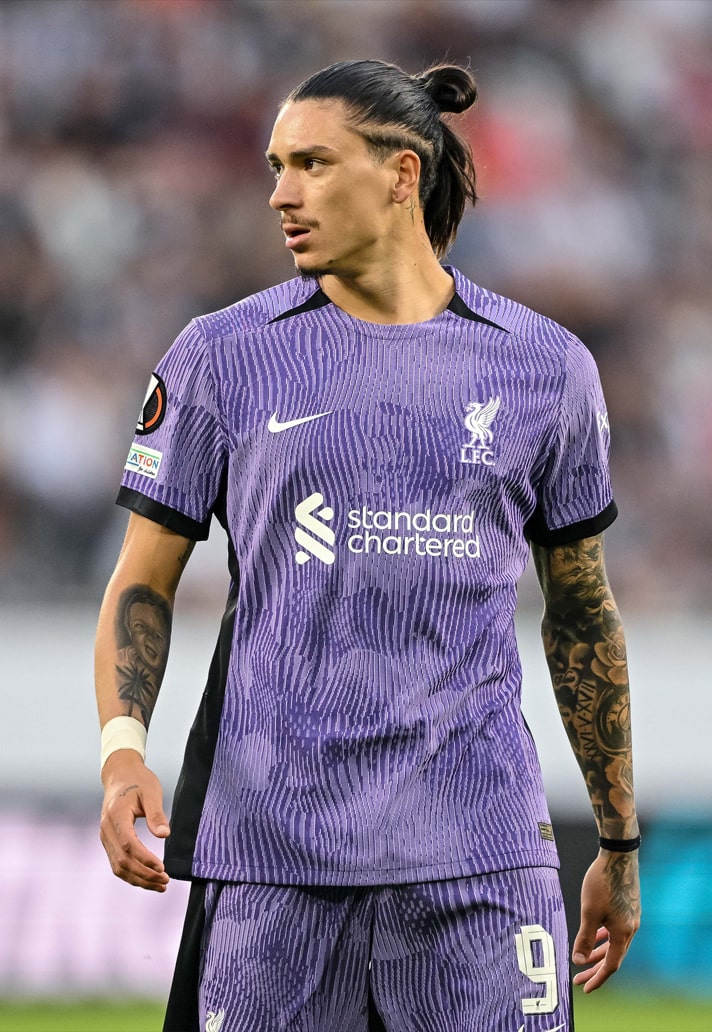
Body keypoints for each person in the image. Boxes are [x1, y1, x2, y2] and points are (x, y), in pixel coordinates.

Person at [95, 59, 641, 1032]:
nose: (281, 193)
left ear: (401, 174)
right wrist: (121, 752)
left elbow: (581, 614)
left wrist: (618, 840)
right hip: (274, 859)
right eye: (275, 167)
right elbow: (142, 581)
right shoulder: (222, 357)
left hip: (482, 860)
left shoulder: (544, 366)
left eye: (311, 163)